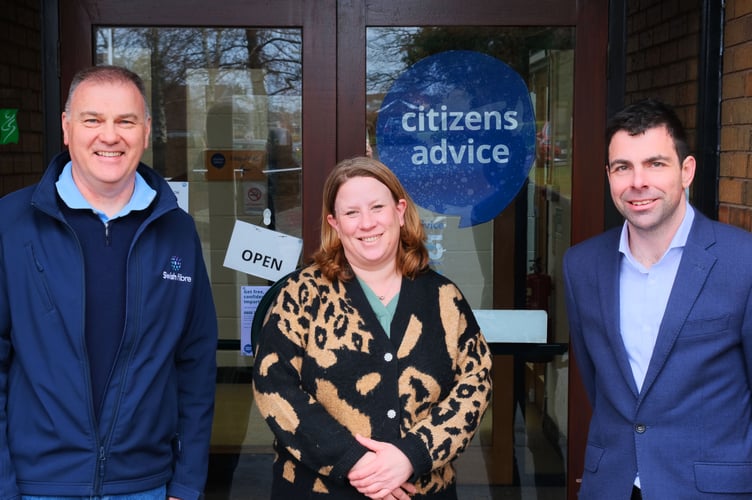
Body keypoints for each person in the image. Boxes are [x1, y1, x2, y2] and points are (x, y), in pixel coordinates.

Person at [0, 65, 218, 500]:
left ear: (146, 131)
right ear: (66, 128)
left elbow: (195, 365)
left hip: (147, 485)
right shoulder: (12, 223)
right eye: (93, 120)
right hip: (37, 485)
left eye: (126, 121)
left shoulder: (176, 229)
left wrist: (187, 483)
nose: (110, 136)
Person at [252, 156, 492, 499]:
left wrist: (412, 455)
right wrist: (354, 462)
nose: (366, 223)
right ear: (335, 223)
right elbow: (273, 387)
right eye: (351, 213)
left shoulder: (443, 298)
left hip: (421, 491)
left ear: (399, 210)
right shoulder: (301, 295)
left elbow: (476, 384)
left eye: (377, 207)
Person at [563, 98, 752, 499]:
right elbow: (597, 385)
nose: (637, 182)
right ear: (609, 176)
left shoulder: (743, 261)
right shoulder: (581, 266)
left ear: (687, 171)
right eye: (622, 168)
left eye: (655, 164)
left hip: (708, 490)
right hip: (612, 485)